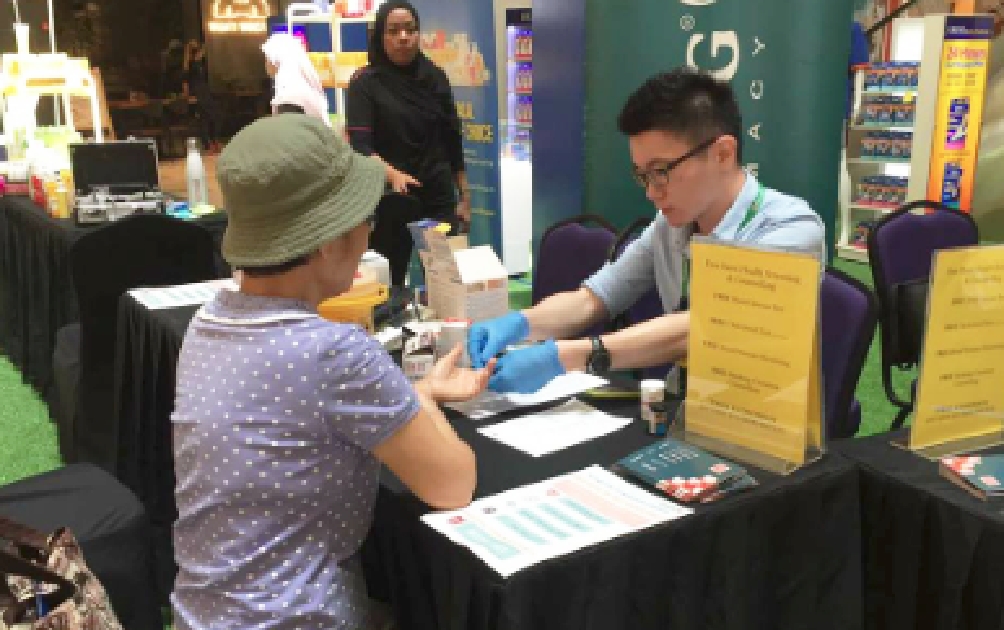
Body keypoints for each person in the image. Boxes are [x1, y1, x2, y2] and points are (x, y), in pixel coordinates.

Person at [170, 114, 495, 630]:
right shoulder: (334, 353)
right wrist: (421, 400)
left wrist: (412, 394)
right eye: (364, 218)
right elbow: (453, 483)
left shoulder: (207, 323)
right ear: (326, 240)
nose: (368, 234)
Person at [468, 68, 826, 394]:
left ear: (722, 154)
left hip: (757, 423)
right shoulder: (671, 226)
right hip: (681, 411)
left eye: (661, 171)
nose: (652, 192)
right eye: (643, 175)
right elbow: (597, 297)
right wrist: (518, 323)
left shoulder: (790, 230)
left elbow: (707, 329)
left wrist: (571, 355)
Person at [346, 1, 470, 286]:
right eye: (393, 31)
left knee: (443, 282)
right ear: (380, 36)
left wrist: (465, 196)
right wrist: (394, 175)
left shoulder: (435, 77)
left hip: (437, 194)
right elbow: (361, 147)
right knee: (389, 281)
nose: (403, 37)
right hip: (392, 197)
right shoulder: (365, 83)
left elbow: (452, 140)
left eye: (410, 29)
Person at [261, 32, 332, 124]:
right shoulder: (302, 89)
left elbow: (290, 129)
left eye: (267, 59)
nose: (266, 64)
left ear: (276, 60)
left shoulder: (289, 96)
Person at [183, 39, 223, 153]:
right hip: (198, 93)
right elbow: (185, 81)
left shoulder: (200, 63)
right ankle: (210, 143)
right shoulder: (190, 64)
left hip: (204, 91)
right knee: (207, 117)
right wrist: (188, 96)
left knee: (209, 117)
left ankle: (212, 142)